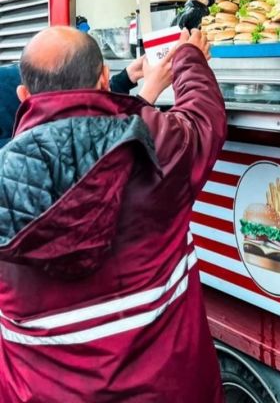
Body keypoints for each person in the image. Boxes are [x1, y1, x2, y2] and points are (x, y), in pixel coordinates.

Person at [0, 26, 227, 403]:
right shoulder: (155, 144)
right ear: (104, 78)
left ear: (25, 95)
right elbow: (203, 120)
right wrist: (189, 58)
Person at [0, 54, 146, 148]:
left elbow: (76, 101)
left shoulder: (15, 74)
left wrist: (125, 79)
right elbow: (68, 147)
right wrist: (146, 98)